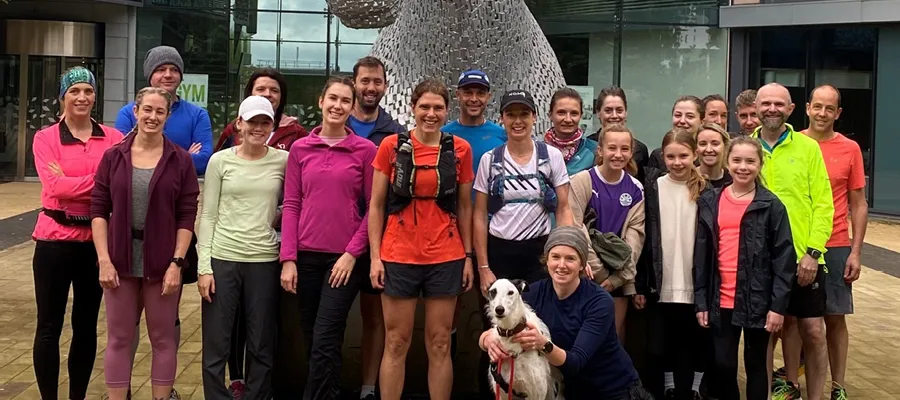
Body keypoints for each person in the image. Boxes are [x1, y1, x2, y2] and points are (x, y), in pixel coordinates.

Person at [368, 79, 475, 400]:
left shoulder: (459, 149)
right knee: (396, 341)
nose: (431, 114)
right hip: (398, 255)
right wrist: (375, 256)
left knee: (440, 342)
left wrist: (468, 257)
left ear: (447, 110)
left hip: (446, 255)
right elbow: (375, 205)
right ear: (413, 108)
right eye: (424, 107)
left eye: (438, 108)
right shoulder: (391, 146)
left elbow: (466, 207)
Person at [91, 87, 200, 400]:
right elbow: (98, 208)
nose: (153, 117)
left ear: (167, 116)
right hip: (120, 262)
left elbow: (186, 214)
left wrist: (177, 264)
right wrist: (104, 260)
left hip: (162, 262)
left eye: (160, 112)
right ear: (135, 112)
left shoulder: (179, 160)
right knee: (119, 338)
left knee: (163, 339)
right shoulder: (114, 157)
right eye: (147, 110)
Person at [279, 77, 377, 400]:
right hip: (305, 258)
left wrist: (352, 254)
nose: (337, 106)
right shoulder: (300, 148)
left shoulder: (365, 151)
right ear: (320, 101)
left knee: (325, 335)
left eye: (345, 101)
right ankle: (328, 393)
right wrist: (288, 258)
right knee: (314, 339)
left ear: (352, 107)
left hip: (344, 261)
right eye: (332, 98)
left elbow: (373, 209)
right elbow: (292, 204)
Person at [30, 67, 124, 400]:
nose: (82, 97)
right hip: (54, 242)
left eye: (88, 90)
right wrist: (100, 181)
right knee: (48, 328)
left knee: (85, 327)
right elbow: (54, 187)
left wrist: (74, 183)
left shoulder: (113, 138)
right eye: (74, 91)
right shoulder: (45, 138)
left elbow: (119, 184)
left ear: (95, 95)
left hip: (95, 245)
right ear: (63, 97)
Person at [478, 226, 649, 400]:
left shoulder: (599, 301)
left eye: (570, 259)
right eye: (555, 257)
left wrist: (542, 344)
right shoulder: (532, 293)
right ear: (546, 260)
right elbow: (501, 325)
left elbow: (576, 362)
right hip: (567, 391)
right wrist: (487, 339)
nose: (561, 265)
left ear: (582, 264)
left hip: (612, 391)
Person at [197, 95, 287, 400]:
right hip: (223, 258)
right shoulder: (220, 161)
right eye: (252, 122)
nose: (258, 128)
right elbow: (208, 216)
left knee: (261, 343)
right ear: (239, 124)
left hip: (264, 260)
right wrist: (204, 267)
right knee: (216, 344)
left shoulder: (283, 160)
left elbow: (296, 201)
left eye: (265, 122)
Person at [693, 137, 796, 400]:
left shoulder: (771, 205)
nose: (743, 167)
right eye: (737, 160)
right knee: (723, 364)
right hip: (721, 299)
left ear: (760, 165)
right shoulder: (711, 200)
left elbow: (784, 260)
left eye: (750, 161)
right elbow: (702, 255)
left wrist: (777, 307)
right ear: (727, 163)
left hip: (759, 301)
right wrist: (702, 301)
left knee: (756, 365)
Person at [751, 83, 834, 400]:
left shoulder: (808, 148)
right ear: (757, 107)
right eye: (766, 103)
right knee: (764, 337)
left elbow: (823, 205)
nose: (772, 108)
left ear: (791, 109)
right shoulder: (745, 147)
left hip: (804, 259)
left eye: (779, 104)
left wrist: (813, 253)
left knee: (814, 332)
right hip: (760, 260)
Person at [802, 84, 867, 400]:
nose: (822, 113)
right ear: (807, 108)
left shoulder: (850, 149)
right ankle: (790, 380)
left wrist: (856, 251)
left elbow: (858, 203)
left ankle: (837, 387)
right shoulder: (795, 144)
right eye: (818, 106)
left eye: (829, 108)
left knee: (835, 318)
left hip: (837, 243)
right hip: (800, 243)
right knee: (795, 320)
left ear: (838, 113)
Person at [473, 89, 574, 291]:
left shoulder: (551, 156)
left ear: (534, 117)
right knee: (500, 319)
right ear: (502, 118)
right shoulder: (490, 159)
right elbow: (480, 215)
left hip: (540, 252)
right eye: (511, 115)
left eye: (524, 114)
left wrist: (569, 250)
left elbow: (563, 209)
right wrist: (483, 267)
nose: (517, 121)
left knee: (538, 318)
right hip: (499, 252)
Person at [348, 56, 406, 400]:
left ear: (385, 86)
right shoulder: (336, 124)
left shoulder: (396, 133)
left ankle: (369, 389)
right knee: (331, 320)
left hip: (378, 241)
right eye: (365, 81)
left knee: (375, 320)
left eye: (377, 82)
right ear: (354, 83)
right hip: (335, 239)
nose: (371, 88)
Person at [636, 129, 708, 399]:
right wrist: (641, 284)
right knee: (660, 345)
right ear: (662, 157)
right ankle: (667, 388)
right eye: (671, 156)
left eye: (683, 156)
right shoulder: (652, 189)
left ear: (695, 155)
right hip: (660, 282)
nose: (677, 162)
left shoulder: (706, 191)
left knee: (690, 344)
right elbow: (644, 239)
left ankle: (691, 390)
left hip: (693, 284)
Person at [568, 122, 644, 341]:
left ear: (631, 152)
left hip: (619, 277)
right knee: (583, 337)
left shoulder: (635, 189)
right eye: (612, 148)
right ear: (600, 150)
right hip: (586, 274)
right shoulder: (582, 182)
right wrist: (598, 271)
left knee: (613, 337)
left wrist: (619, 277)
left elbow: (635, 239)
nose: (618, 154)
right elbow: (575, 226)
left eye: (624, 149)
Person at [115, 45, 213, 176]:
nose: (168, 75)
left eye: (174, 70)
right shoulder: (128, 113)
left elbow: (203, 162)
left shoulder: (198, 115)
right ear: (149, 75)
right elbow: (121, 158)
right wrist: (186, 157)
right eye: (160, 70)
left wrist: (144, 158)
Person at [214, 68, 308, 151]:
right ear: (250, 93)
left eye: (274, 90)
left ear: (281, 97)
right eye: (260, 89)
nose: (267, 94)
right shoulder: (233, 129)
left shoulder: (296, 133)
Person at [442, 69, 507, 176]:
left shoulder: (503, 136)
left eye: (480, 94)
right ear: (458, 95)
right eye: (468, 93)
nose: (474, 99)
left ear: (488, 97)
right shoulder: (443, 136)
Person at [589, 86, 650, 182]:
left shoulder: (640, 149)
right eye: (608, 110)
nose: (614, 115)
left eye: (619, 110)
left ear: (626, 113)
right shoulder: (588, 145)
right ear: (598, 113)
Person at [544, 87, 598, 175]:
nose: (568, 119)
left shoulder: (594, 150)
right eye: (561, 112)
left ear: (581, 116)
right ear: (550, 115)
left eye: (574, 113)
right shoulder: (537, 151)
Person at [648, 96, 704, 171]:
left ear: (702, 122)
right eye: (678, 115)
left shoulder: (705, 154)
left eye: (690, 116)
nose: (682, 121)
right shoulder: (657, 156)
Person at [696, 123, 732, 188]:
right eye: (703, 144)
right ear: (696, 148)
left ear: (725, 146)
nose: (709, 150)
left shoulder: (733, 180)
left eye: (715, 144)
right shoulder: (687, 178)